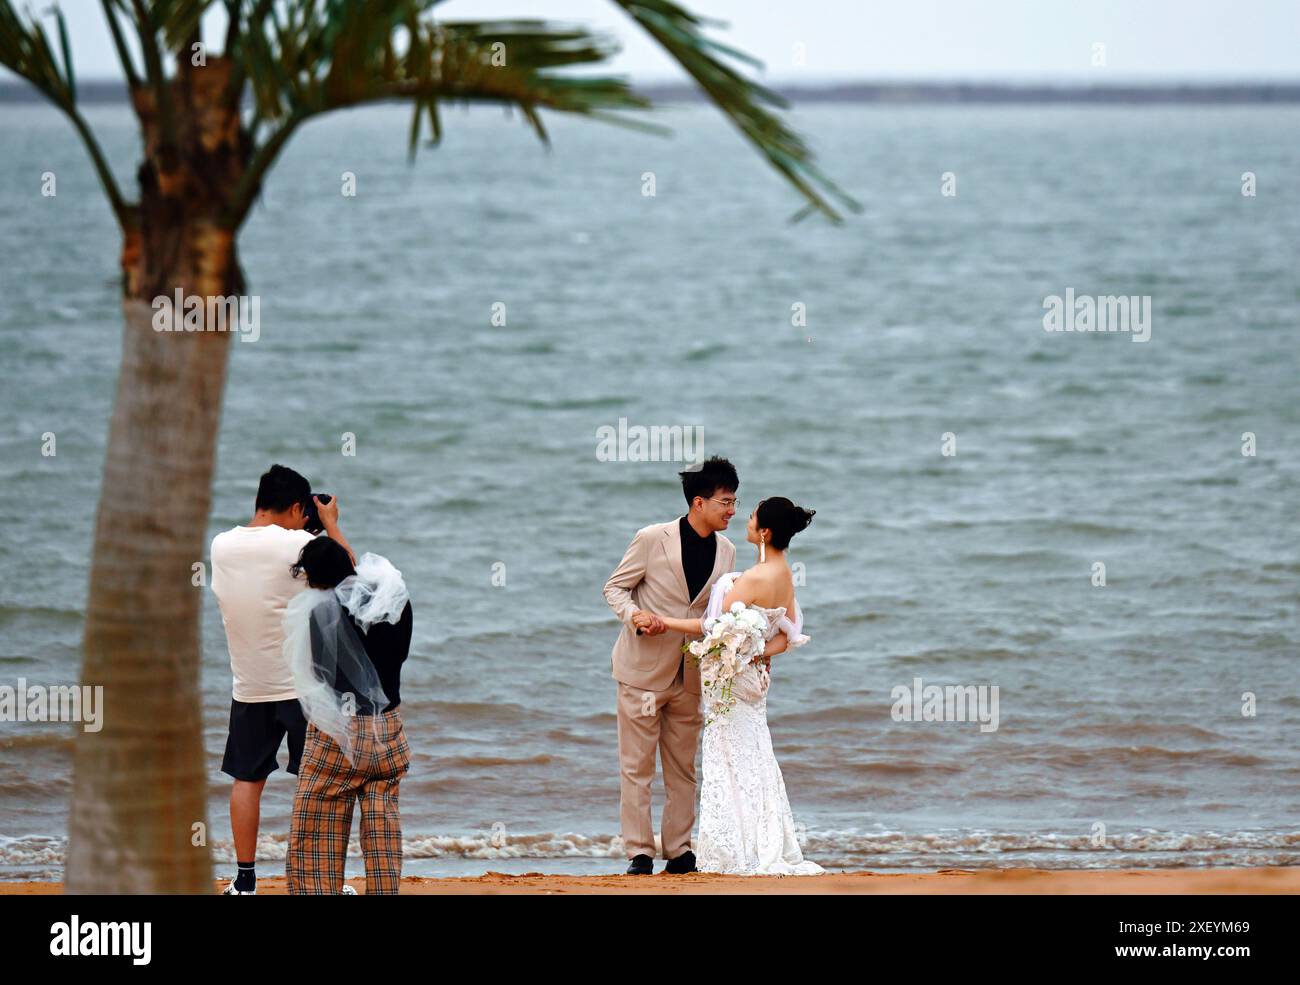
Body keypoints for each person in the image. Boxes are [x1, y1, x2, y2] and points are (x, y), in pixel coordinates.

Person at [645, 496, 823, 875]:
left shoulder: (755, 579)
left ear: (765, 532)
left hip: (730, 680)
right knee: (755, 755)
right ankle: (761, 843)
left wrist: (664, 620)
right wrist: (758, 656)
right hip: (753, 680)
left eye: (752, 517)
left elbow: (714, 630)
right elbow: (788, 636)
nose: (745, 520)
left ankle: (733, 852)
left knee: (728, 757)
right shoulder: (785, 574)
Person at [210, 464, 354, 896]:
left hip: (249, 687)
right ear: (297, 508)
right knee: (321, 785)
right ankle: (326, 881)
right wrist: (329, 525)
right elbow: (349, 577)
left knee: (247, 780)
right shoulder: (301, 543)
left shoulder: (220, 546)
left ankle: (245, 881)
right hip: (304, 688)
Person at [602, 456, 738, 875]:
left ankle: (679, 851)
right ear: (699, 502)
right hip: (641, 673)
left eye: (735, 501)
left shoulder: (728, 551)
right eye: (725, 502)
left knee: (684, 770)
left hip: (692, 675)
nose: (732, 510)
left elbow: (716, 614)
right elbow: (615, 588)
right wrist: (634, 617)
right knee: (636, 768)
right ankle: (639, 852)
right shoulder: (651, 538)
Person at [284, 538, 413, 895]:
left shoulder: (321, 613)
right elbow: (398, 655)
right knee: (382, 828)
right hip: (387, 728)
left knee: (318, 830)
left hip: (338, 734)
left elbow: (321, 675)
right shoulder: (395, 598)